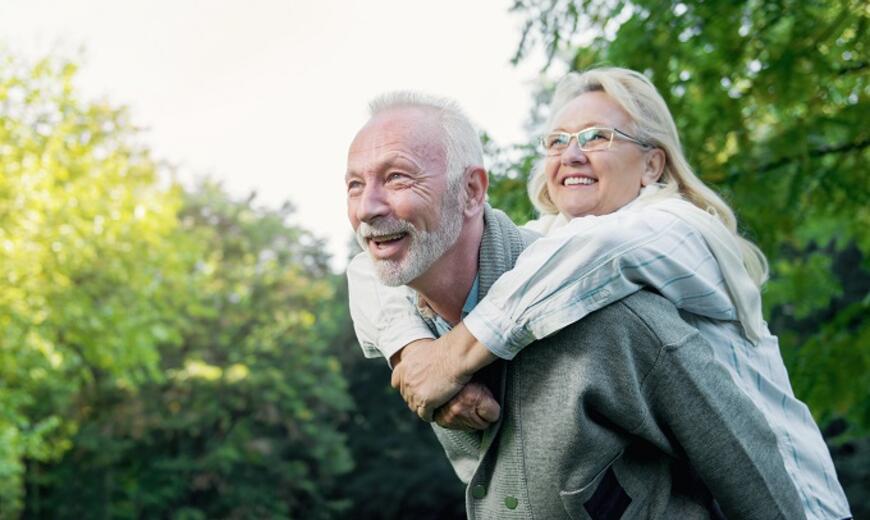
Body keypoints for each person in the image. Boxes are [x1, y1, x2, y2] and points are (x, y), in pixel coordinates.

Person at [348, 68, 851, 519]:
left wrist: (453, 358)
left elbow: (593, 254)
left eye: (597, 136)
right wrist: (413, 351)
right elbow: (369, 271)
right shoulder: (551, 250)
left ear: (652, 165)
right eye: (556, 141)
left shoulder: (681, 230)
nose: (571, 153)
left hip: (794, 499)